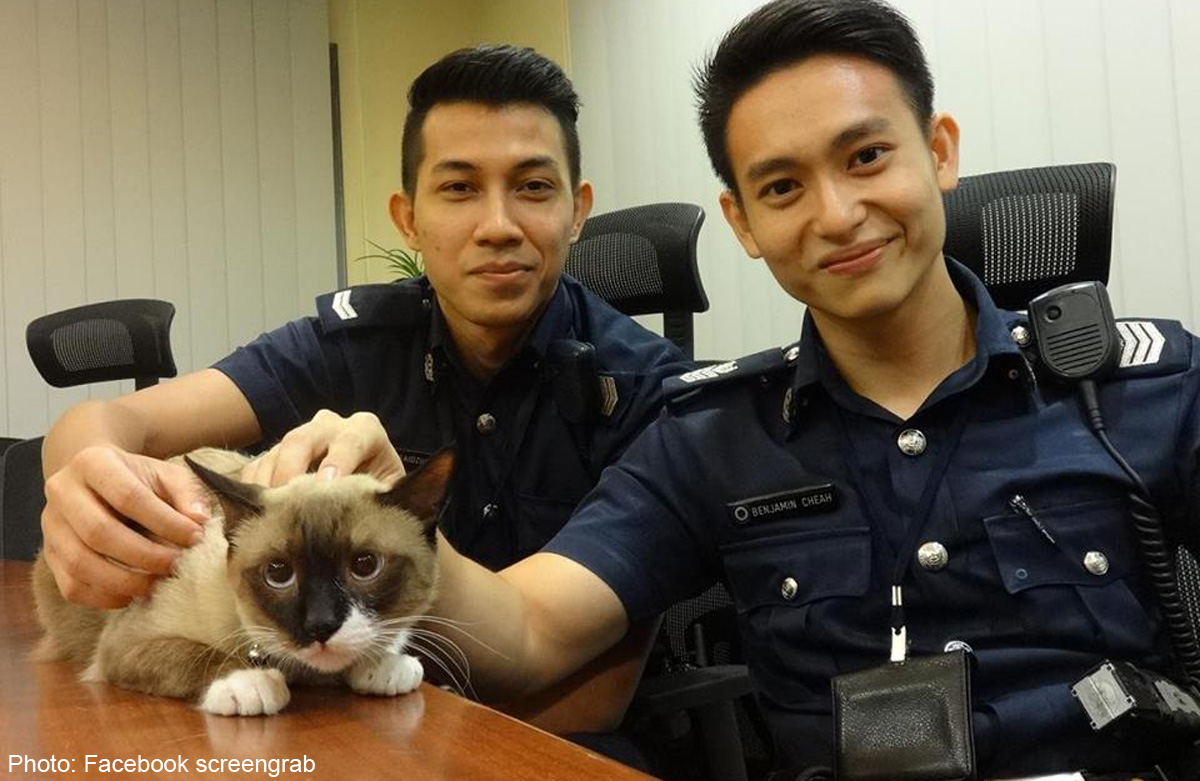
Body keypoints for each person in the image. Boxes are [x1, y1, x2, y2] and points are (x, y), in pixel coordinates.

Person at [301, 0, 1200, 776]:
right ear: (742, 222)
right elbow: (530, 628)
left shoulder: (1140, 388)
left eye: (866, 157)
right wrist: (383, 514)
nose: (836, 213)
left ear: (939, 151)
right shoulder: (712, 435)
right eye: (782, 185)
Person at [38, 44, 688, 740]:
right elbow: (110, 420)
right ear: (409, 218)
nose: (498, 225)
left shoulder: (653, 395)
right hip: (342, 726)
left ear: (577, 210)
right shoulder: (352, 341)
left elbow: (586, 694)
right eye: (460, 188)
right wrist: (87, 486)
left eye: (533, 187)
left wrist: (390, 516)